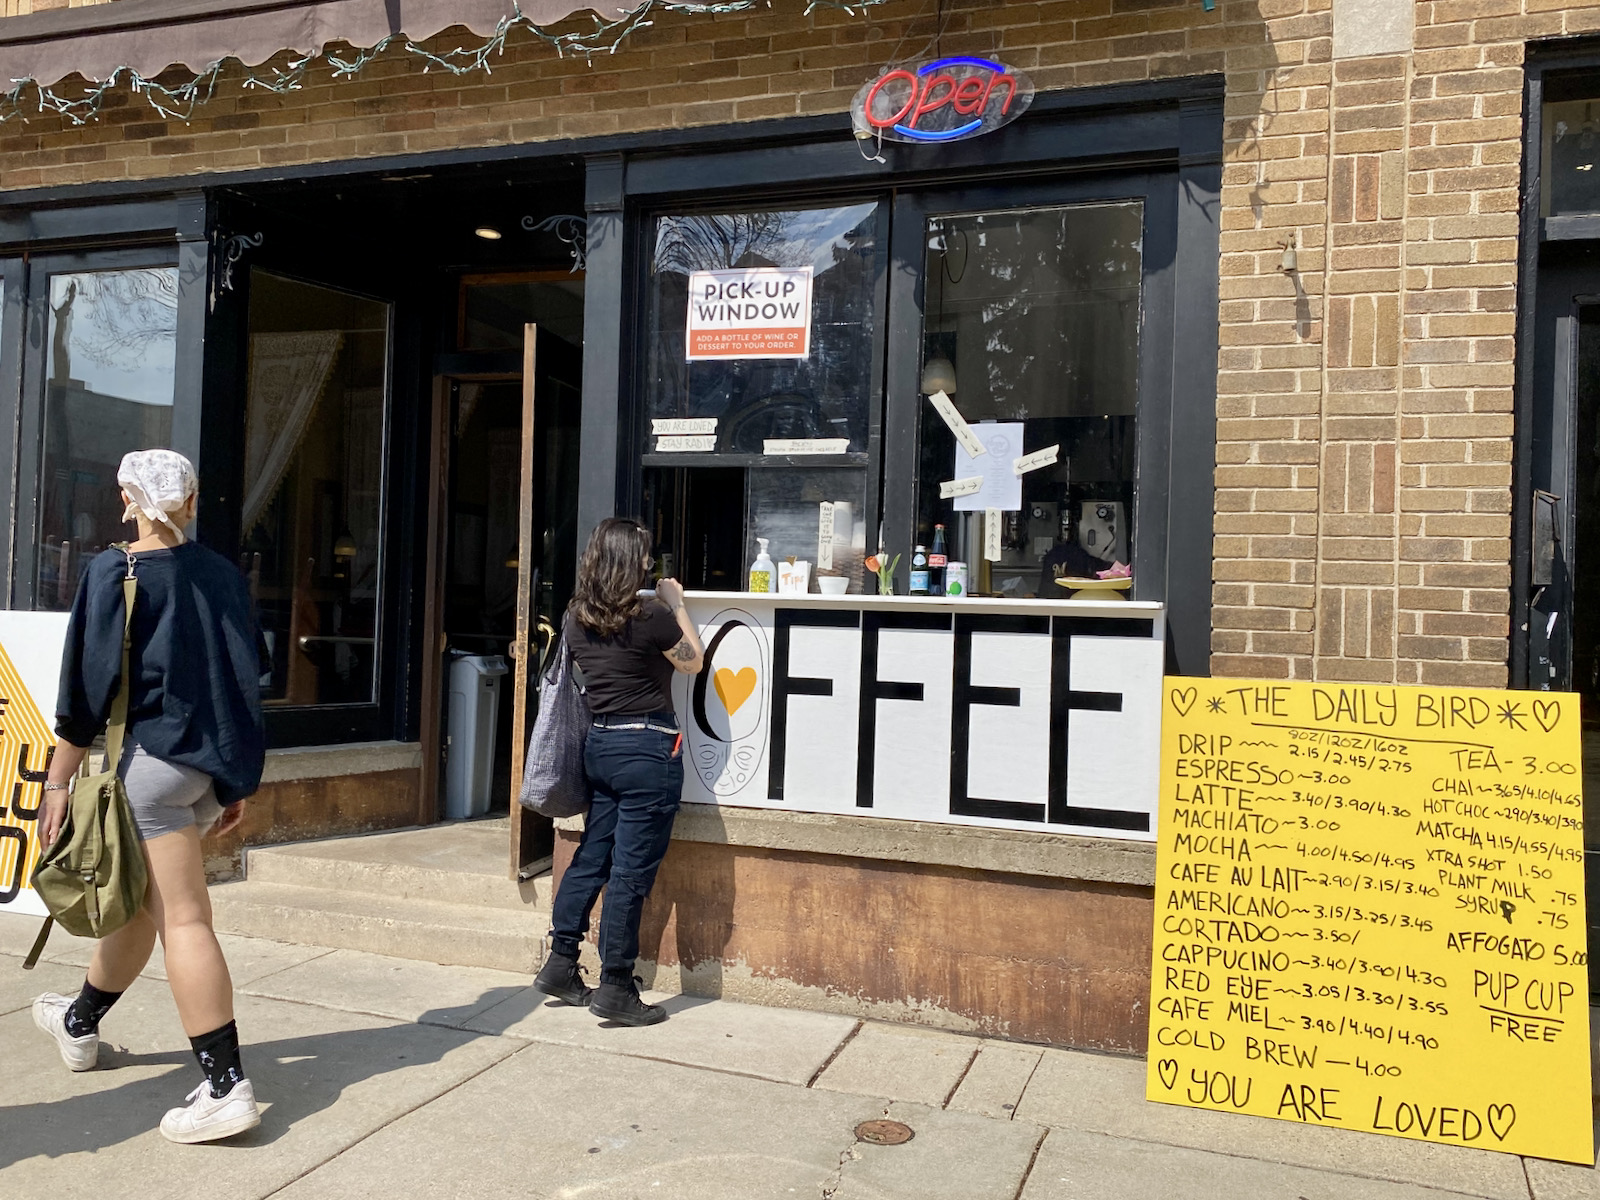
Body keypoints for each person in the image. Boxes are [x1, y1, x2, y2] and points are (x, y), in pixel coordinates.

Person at [32, 449, 269, 1144]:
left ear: (131, 500)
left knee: (185, 922)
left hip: (145, 772)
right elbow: (244, 679)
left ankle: (225, 1085)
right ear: (190, 502)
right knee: (140, 907)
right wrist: (234, 781)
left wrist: (56, 779)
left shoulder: (115, 570)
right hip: (200, 766)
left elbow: (85, 690)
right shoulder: (222, 575)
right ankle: (79, 1022)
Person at [532, 517, 705, 1026]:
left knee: (592, 857)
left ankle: (562, 961)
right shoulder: (652, 616)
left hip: (601, 744)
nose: (651, 563)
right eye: (645, 555)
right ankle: (615, 986)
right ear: (632, 562)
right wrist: (677, 604)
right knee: (630, 874)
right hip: (647, 750)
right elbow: (693, 662)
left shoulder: (573, 617)